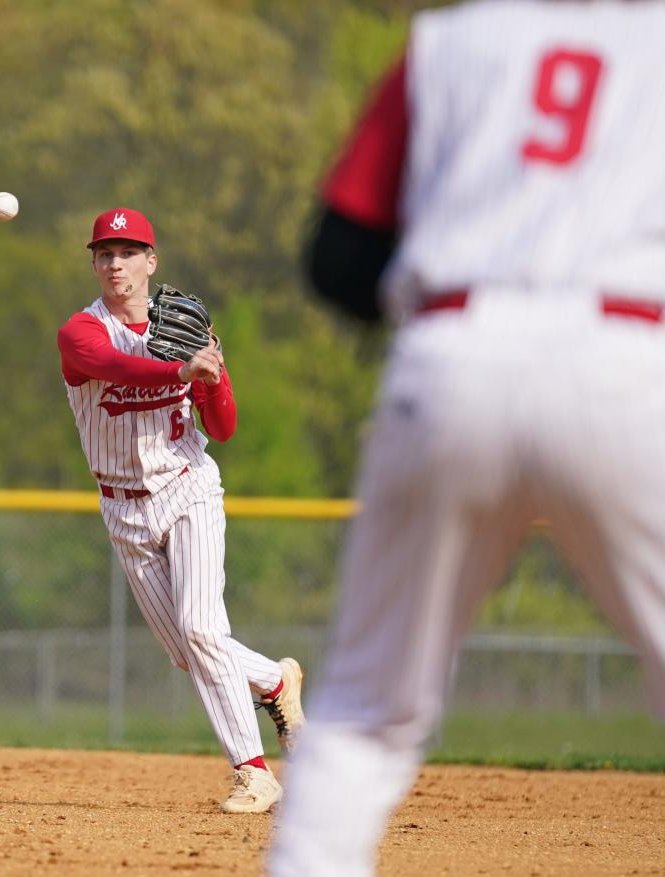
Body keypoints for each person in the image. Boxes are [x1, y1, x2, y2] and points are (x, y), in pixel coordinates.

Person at [269, 0, 665, 872]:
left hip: (450, 354)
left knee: (366, 714)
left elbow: (336, 258)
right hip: (627, 362)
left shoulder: (445, 44)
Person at [57, 207, 306, 813]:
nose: (116, 264)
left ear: (151, 262)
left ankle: (254, 774)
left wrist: (213, 376)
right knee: (187, 651)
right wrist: (181, 368)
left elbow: (222, 427)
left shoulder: (186, 334)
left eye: (128, 252)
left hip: (187, 487)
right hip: (123, 508)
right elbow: (115, 367)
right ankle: (275, 682)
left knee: (201, 630)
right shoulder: (81, 333)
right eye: (105, 253)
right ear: (94, 263)